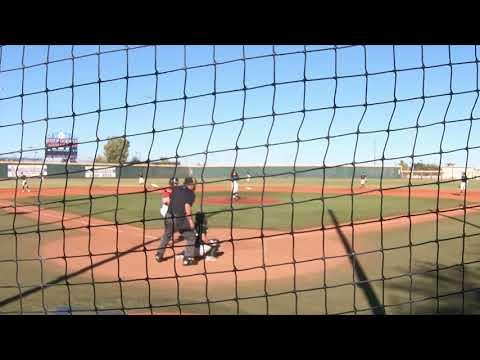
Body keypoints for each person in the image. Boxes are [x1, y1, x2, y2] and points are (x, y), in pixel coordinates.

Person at [155, 177, 197, 266]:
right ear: (191, 184)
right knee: (191, 237)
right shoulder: (191, 194)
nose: (195, 186)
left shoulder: (176, 189)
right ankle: (188, 259)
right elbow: (187, 207)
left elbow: (168, 200)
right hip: (179, 218)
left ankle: (159, 254)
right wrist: (190, 221)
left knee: (167, 235)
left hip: (169, 215)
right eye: (194, 184)